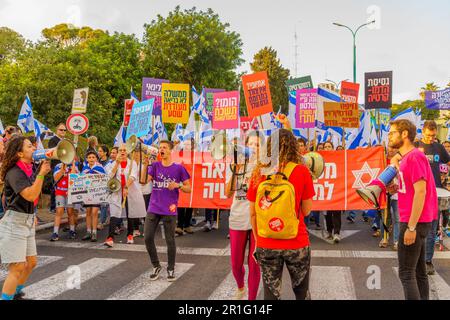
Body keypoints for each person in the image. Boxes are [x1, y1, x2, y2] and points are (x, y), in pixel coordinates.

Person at [248, 129, 315, 300]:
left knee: (271, 294)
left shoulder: (259, 171)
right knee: (301, 292)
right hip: (296, 242)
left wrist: (258, 240)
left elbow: (253, 213)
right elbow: (307, 211)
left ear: (269, 147)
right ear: (293, 146)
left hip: (266, 242)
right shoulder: (302, 171)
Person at [388, 119, 437, 300]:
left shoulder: (414, 156)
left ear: (404, 134)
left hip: (413, 221)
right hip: (419, 220)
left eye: (392, 133)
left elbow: (421, 191)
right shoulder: (408, 157)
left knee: (406, 274)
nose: (389, 136)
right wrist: (396, 187)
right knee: (418, 273)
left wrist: (411, 227)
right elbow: (411, 187)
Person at [0, 136, 51, 300]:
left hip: (27, 220)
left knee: (31, 262)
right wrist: (41, 174)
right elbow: (30, 195)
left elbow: (43, 188)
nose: (34, 148)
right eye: (30, 146)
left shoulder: (29, 169)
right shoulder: (15, 172)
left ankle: (15, 293)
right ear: (20, 153)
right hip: (14, 222)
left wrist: (54, 173)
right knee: (17, 267)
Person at [142, 140, 191, 282]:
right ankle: (156, 265)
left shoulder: (179, 168)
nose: (161, 150)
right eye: (159, 148)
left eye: (164, 147)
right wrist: (145, 166)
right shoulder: (155, 166)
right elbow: (144, 181)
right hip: (154, 207)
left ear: (170, 151)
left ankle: (170, 268)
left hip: (170, 208)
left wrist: (179, 185)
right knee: (147, 237)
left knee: (170, 240)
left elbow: (189, 188)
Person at [225, 131, 262, 300]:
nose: (254, 148)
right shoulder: (235, 164)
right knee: (235, 263)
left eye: (258, 145)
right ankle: (241, 287)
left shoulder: (265, 167)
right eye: (251, 144)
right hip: (238, 218)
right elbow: (227, 193)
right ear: (245, 146)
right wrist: (235, 170)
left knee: (254, 264)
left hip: (258, 220)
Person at [414, 121, 450, 275]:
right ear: (423, 131)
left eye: (434, 136)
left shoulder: (439, 147)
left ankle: (427, 261)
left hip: (434, 194)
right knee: (415, 227)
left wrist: (446, 178)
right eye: (428, 135)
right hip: (417, 193)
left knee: (431, 229)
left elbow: (448, 162)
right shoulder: (415, 145)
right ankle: (416, 259)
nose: (431, 138)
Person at [104, 144, 147, 247]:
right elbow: (109, 175)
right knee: (114, 213)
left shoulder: (133, 163)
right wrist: (117, 163)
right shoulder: (113, 163)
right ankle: (110, 237)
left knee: (130, 212)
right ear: (118, 152)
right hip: (117, 191)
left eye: (124, 150)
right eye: (120, 150)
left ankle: (130, 235)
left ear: (127, 152)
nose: (122, 152)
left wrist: (126, 187)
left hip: (130, 190)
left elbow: (132, 176)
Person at [49, 159, 79, 241]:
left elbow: (74, 177)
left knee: (70, 211)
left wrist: (73, 164)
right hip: (60, 191)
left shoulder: (75, 167)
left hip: (70, 192)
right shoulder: (58, 166)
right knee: (59, 211)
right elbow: (56, 178)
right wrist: (63, 167)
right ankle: (55, 232)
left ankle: (72, 230)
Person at [80, 150, 106, 242]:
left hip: (96, 194)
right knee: (88, 212)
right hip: (87, 193)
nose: (91, 159)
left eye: (93, 157)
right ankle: (88, 232)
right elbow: (81, 180)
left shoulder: (100, 168)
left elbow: (104, 180)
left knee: (94, 212)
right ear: (87, 159)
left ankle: (94, 232)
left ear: (96, 159)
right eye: (89, 157)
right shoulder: (85, 169)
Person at [322, 141, 342, 243]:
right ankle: (329, 231)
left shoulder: (338, 159)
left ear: (332, 148)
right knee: (328, 214)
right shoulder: (319, 159)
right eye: (325, 146)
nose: (327, 148)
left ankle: (337, 233)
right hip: (325, 190)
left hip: (336, 190)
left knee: (336, 213)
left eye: (329, 146)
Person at [48, 123, 67, 213]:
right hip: (56, 166)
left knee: (63, 186)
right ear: (57, 130)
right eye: (61, 130)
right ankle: (53, 207)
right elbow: (53, 152)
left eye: (64, 130)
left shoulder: (65, 141)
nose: (63, 131)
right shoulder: (53, 140)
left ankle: (62, 206)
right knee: (55, 186)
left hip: (64, 166)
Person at [97, 145, 110, 229]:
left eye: (101, 151)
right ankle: (108, 217)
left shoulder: (109, 163)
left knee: (104, 204)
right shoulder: (96, 162)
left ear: (105, 152)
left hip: (106, 185)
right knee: (100, 204)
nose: (99, 152)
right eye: (98, 151)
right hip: (97, 186)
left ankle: (101, 222)